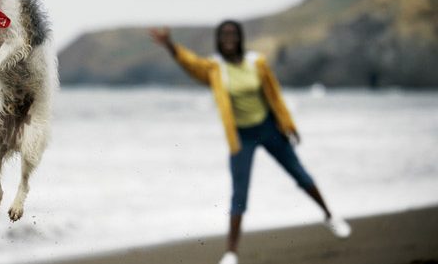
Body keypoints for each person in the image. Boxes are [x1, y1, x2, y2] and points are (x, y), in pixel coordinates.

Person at [149, 21, 350, 264]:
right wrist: (170, 45)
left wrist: (289, 125)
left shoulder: (257, 62)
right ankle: (231, 252)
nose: (229, 38)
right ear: (218, 39)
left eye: (233, 33)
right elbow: (190, 63)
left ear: (240, 37)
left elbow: (275, 95)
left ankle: (330, 216)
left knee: (299, 174)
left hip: (269, 128)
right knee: (239, 193)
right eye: (224, 34)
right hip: (241, 137)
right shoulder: (214, 68)